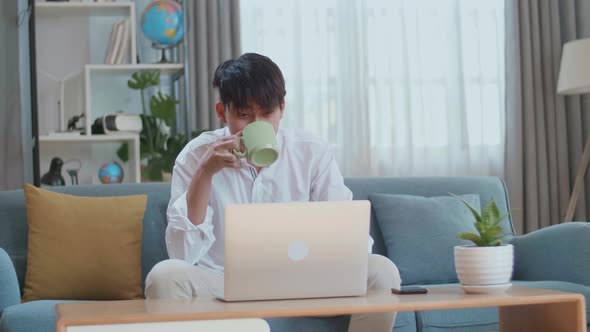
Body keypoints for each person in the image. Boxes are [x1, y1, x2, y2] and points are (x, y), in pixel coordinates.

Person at [145, 53, 401, 332]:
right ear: (222, 112)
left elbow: (352, 238)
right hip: (223, 283)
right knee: (164, 276)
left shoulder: (310, 151)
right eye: (244, 115)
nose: (258, 125)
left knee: (382, 271)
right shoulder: (197, 156)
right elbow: (182, 253)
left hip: (304, 280)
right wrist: (205, 173)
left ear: (282, 108)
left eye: (267, 113)